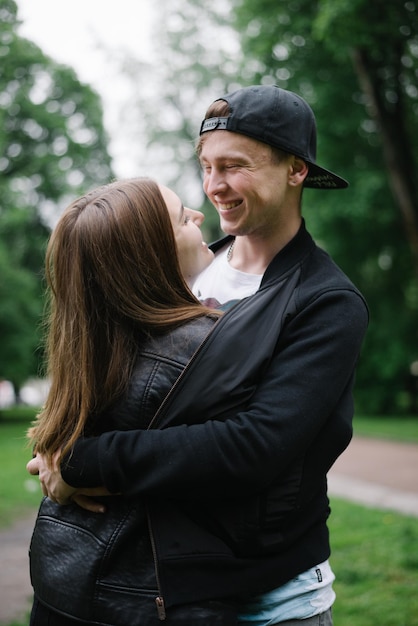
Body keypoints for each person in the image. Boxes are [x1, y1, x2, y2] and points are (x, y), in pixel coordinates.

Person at [28, 85, 369, 625]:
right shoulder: (182, 269)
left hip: (269, 598)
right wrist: (58, 446)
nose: (214, 187)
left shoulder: (325, 301)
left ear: (296, 170)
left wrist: (85, 462)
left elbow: (254, 448)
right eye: (207, 166)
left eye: (234, 167)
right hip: (163, 587)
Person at [26, 177, 242, 625]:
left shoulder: (89, 346)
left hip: (61, 584)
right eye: (185, 218)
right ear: (154, 256)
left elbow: (52, 451)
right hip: (145, 599)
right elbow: (247, 459)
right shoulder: (207, 345)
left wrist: (67, 467)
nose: (200, 215)